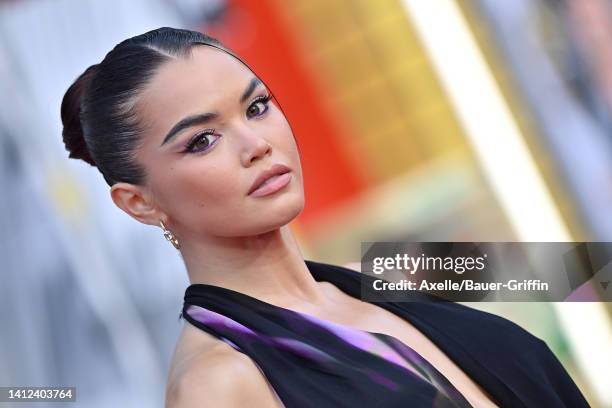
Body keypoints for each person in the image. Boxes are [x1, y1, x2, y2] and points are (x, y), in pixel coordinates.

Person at [60, 27, 590, 407]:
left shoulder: (385, 285)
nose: (255, 145)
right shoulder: (218, 384)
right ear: (139, 202)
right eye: (203, 140)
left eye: (257, 107)